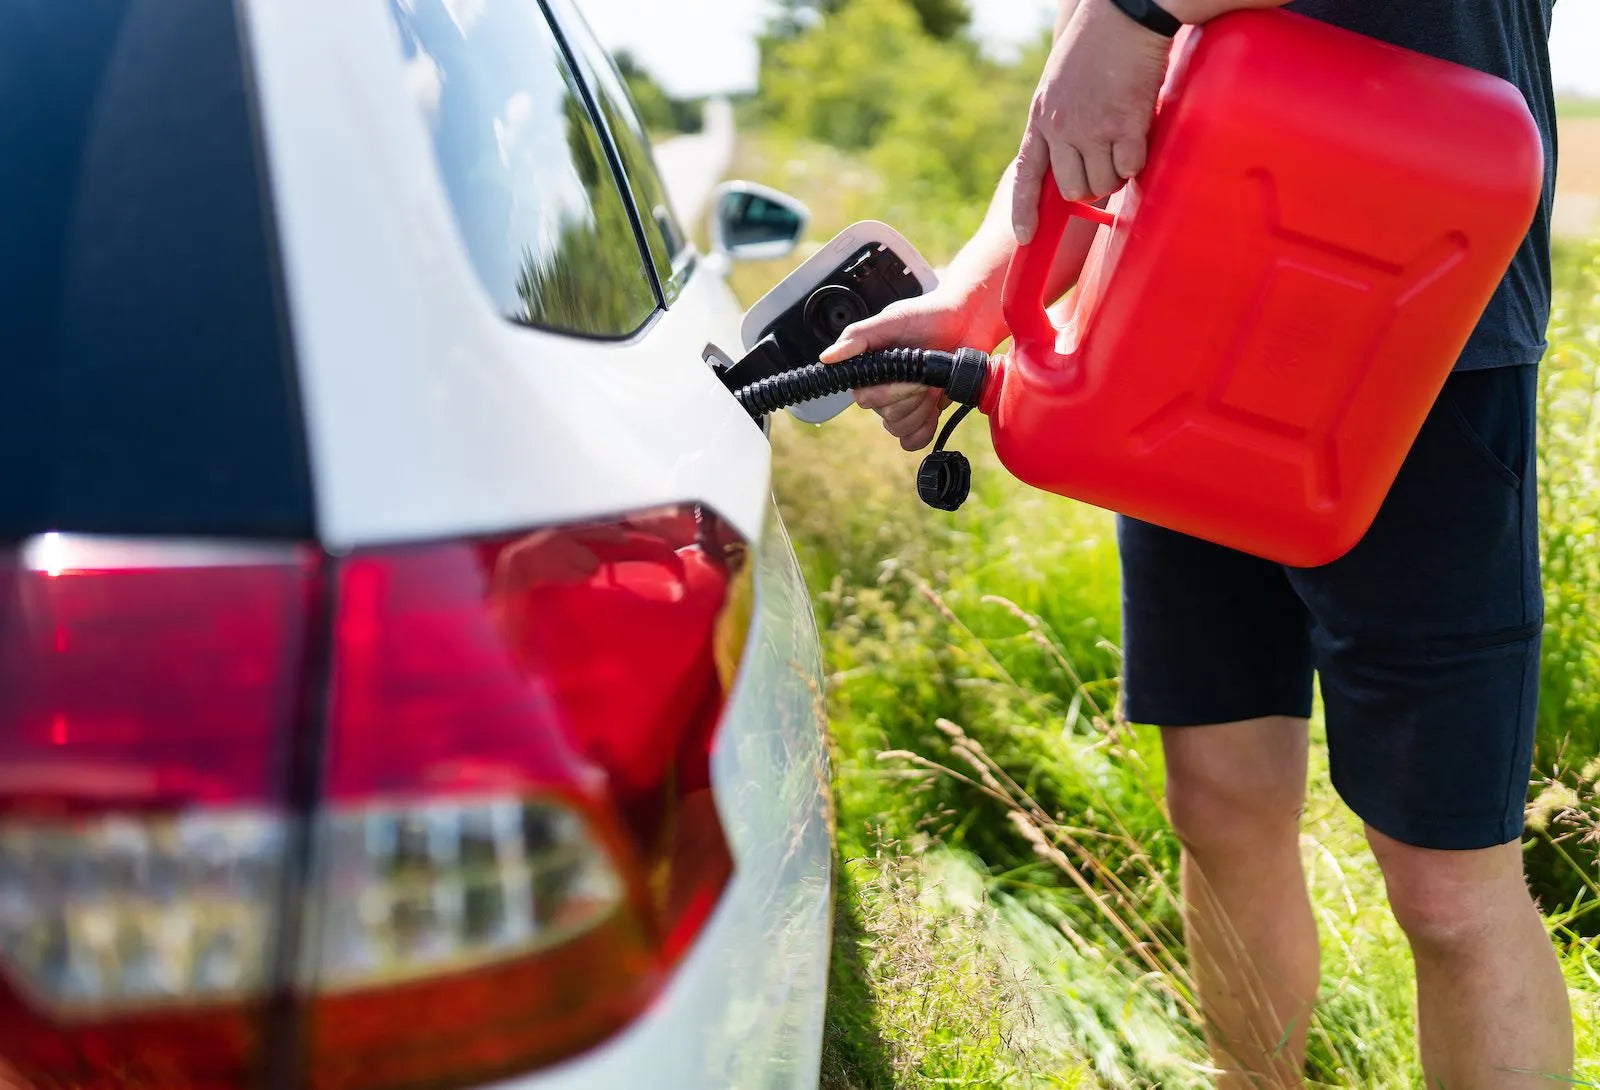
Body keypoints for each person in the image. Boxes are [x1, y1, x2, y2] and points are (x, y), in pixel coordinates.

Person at [821, 0, 1568, 1084]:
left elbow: (1128, 35)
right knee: (1218, 795)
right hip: (1180, 324)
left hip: (1421, 342)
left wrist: (1136, 9)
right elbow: (1101, 108)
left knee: (1449, 885)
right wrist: (969, 308)